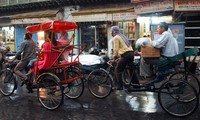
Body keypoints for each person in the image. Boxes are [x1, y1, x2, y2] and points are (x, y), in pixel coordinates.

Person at [111, 26, 138, 90]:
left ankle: (119, 86)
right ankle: (136, 85)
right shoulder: (122, 36)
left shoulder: (116, 37)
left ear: (113, 32)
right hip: (131, 54)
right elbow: (124, 48)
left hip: (127, 55)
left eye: (111, 32)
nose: (110, 33)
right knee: (131, 69)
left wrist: (114, 58)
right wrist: (120, 57)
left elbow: (116, 50)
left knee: (118, 69)